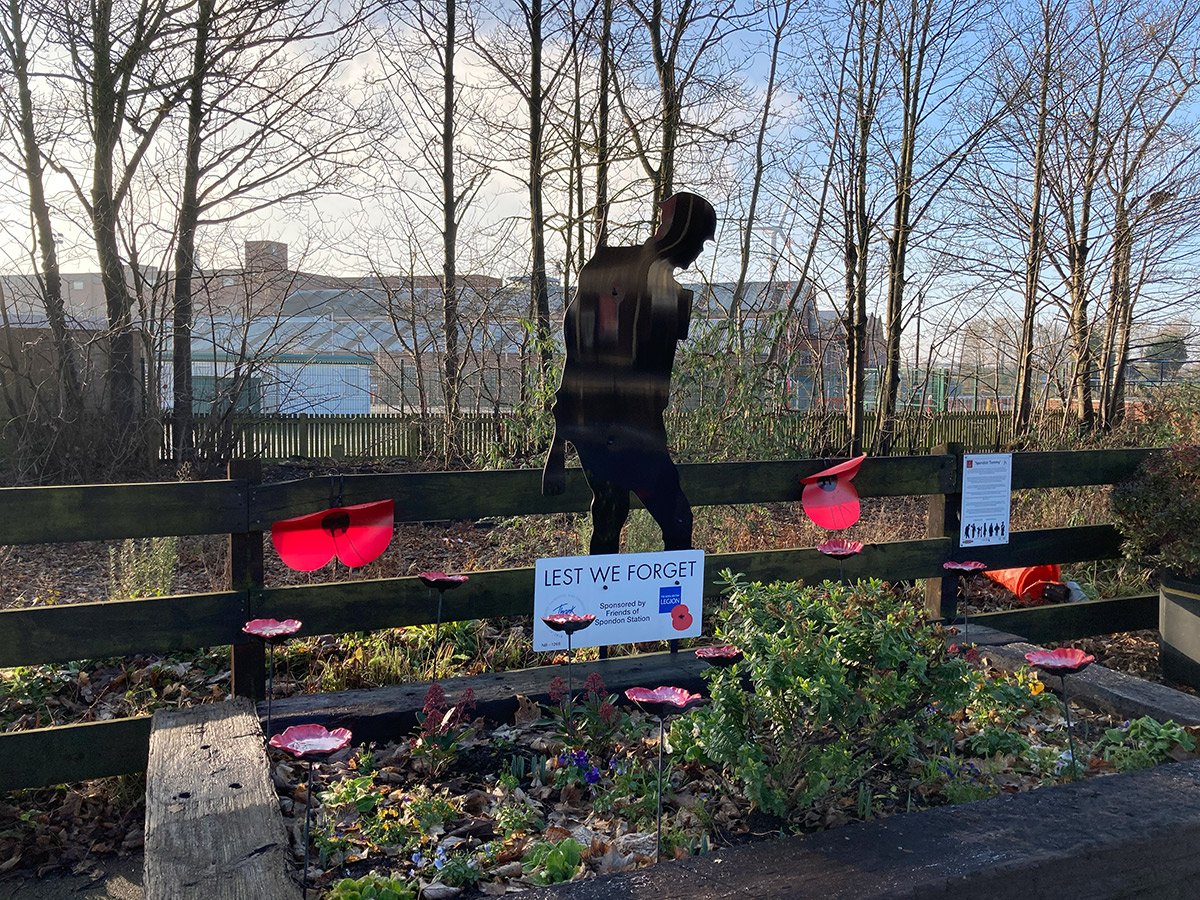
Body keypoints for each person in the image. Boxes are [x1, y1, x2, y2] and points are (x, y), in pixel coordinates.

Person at [542, 192, 717, 554]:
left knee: (673, 517)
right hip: (603, 428)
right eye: (698, 240)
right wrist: (557, 447)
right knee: (615, 513)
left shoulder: (670, 292)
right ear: (680, 231)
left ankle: (671, 607)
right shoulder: (608, 271)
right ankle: (605, 608)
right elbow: (578, 356)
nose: (699, 251)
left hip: (640, 431)